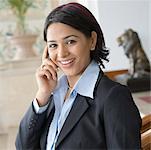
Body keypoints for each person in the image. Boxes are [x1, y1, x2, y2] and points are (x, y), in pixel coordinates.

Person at [15, 2, 142, 150]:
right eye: (53, 45)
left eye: (70, 41)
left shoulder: (113, 97)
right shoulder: (53, 93)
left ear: (92, 40)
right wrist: (42, 94)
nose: (61, 54)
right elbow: (23, 146)